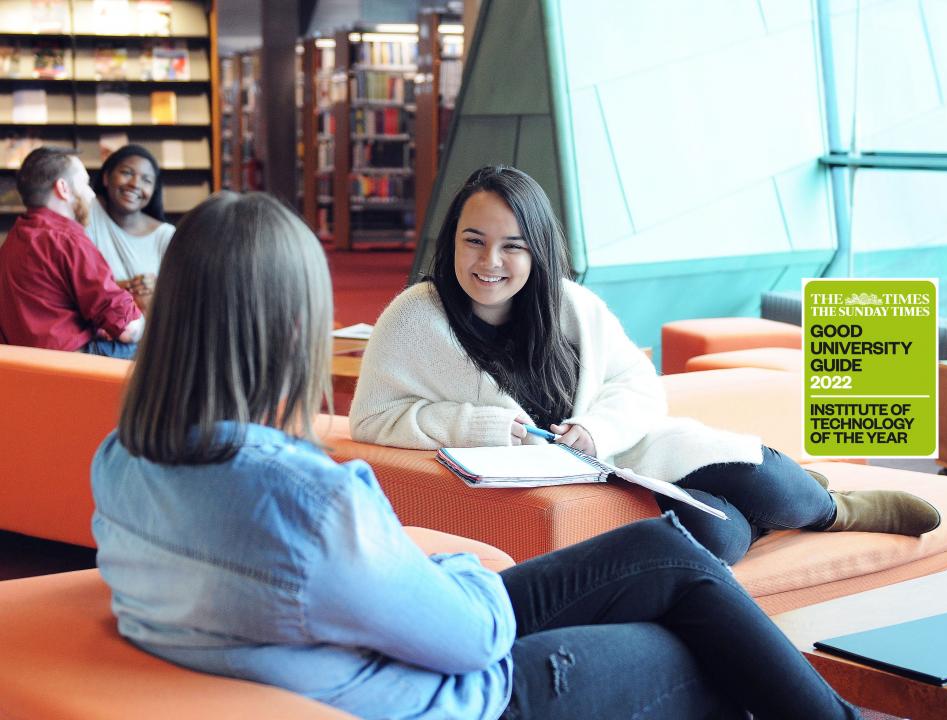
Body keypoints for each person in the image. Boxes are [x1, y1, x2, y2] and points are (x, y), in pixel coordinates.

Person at [91, 191, 861, 720]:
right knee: (696, 647)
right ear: (292, 334)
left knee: (667, 553)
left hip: (363, 638)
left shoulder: (123, 458)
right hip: (459, 690)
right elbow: (473, 637)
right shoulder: (308, 501)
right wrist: (458, 567)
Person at [349, 165, 940, 564]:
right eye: (473, 240)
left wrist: (596, 429)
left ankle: (834, 510)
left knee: (752, 471)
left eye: (512, 246)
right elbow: (373, 418)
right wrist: (476, 426)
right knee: (721, 535)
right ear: (450, 239)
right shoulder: (417, 318)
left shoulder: (570, 305)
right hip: (573, 480)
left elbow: (637, 386)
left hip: (624, 452)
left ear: (539, 250)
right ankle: (788, 506)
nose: (489, 262)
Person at [0, 146, 143, 359]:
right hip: (71, 365)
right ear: (63, 188)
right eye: (85, 184)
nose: (91, 194)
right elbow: (127, 329)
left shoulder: (13, 240)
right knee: (157, 346)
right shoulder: (67, 239)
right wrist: (147, 322)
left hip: (23, 370)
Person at [87, 144, 175, 312]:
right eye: (127, 173)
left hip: (147, 334)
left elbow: (179, 295)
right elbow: (77, 284)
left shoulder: (165, 235)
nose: (135, 184)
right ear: (106, 177)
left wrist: (156, 288)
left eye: (146, 180)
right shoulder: (89, 211)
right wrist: (130, 286)